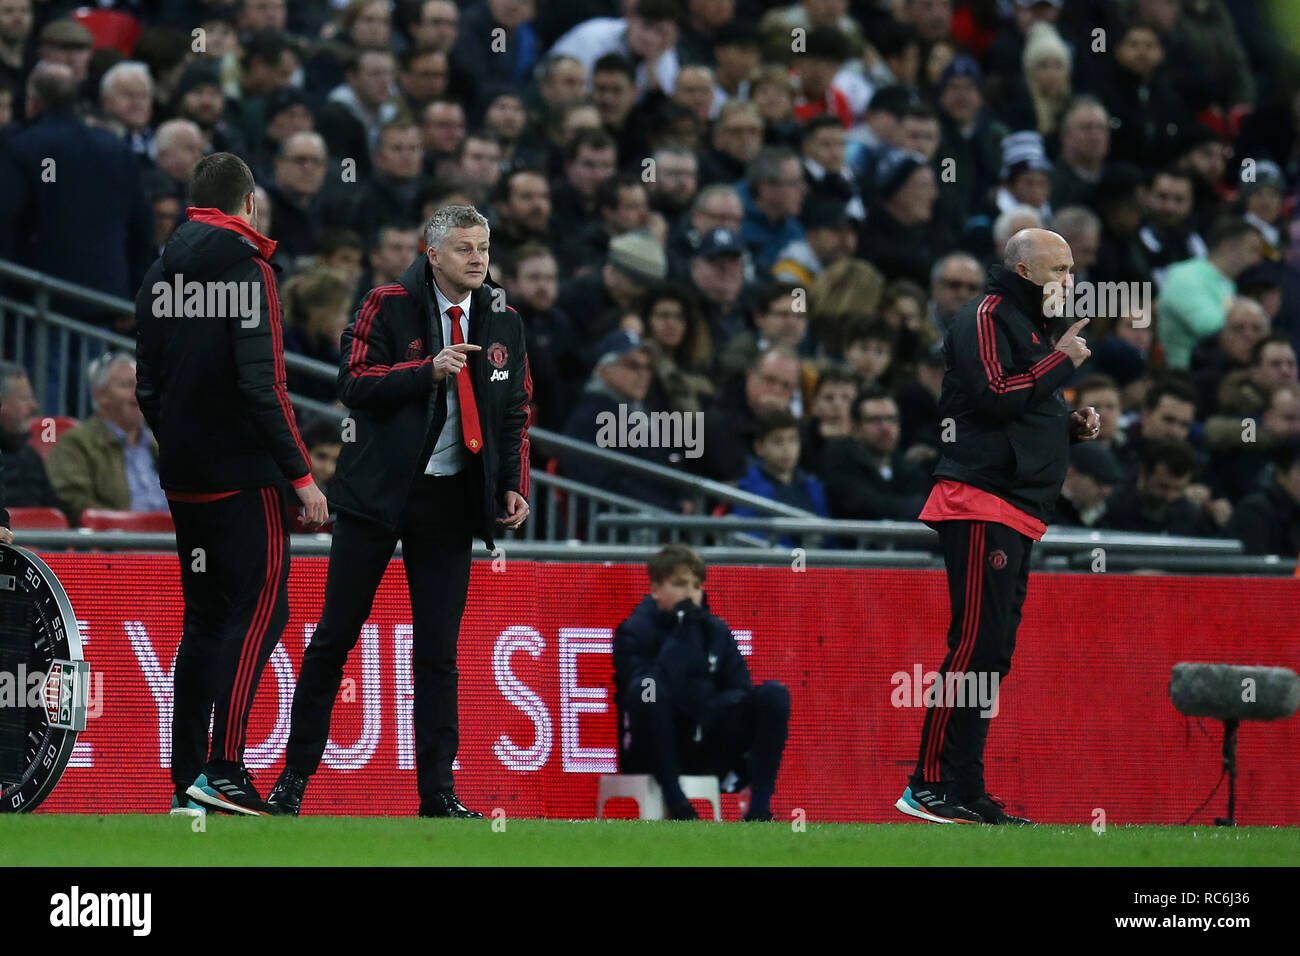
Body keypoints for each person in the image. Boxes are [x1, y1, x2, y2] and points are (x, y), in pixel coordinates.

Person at [268, 205, 531, 818]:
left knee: (438, 651)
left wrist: (512, 484)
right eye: (464, 248)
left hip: (449, 499)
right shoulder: (385, 303)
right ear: (432, 254)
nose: (477, 258)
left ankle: (437, 793)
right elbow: (353, 381)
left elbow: (517, 410)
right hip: (378, 495)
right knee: (335, 637)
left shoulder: (504, 320)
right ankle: (293, 780)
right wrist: (427, 371)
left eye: (484, 247)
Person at [134, 152, 329, 816]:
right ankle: (223, 769)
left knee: (207, 621)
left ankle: (186, 781)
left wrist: (184, 446)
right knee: (261, 612)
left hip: (185, 479)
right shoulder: (252, 274)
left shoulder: (159, 272)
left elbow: (147, 387)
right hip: (245, 478)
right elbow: (263, 386)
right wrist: (301, 476)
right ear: (247, 205)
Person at [898, 227, 1099, 825]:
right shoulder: (986, 314)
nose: (1070, 279)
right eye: (1059, 268)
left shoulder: (1029, 328)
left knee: (992, 651)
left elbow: (1017, 409)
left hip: (1015, 507)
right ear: (1024, 270)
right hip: (979, 499)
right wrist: (1063, 359)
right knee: (973, 644)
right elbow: (991, 395)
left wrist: (1067, 427)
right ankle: (928, 783)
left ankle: (966, 789)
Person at [613, 545, 791, 821]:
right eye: (680, 584)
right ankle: (676, 803)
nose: (690, 594)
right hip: (653, 750)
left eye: (696, 586)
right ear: (656, 588)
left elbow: (740, 688)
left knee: (773, 695)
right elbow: (642, 690)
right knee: (647, 691)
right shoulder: (634, 631)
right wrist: (679, 639)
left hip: (708, 741)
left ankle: (759, 807)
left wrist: (706, 710)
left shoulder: (715, 630)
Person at [45, 352, 167, 525]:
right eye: (127, 385)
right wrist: (124, 525)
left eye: (142, 384)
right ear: (100, 395)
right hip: (117, 544)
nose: (139, 392)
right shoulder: (75, 443)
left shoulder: (161, 442)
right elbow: (74, 500)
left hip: (172, 541)